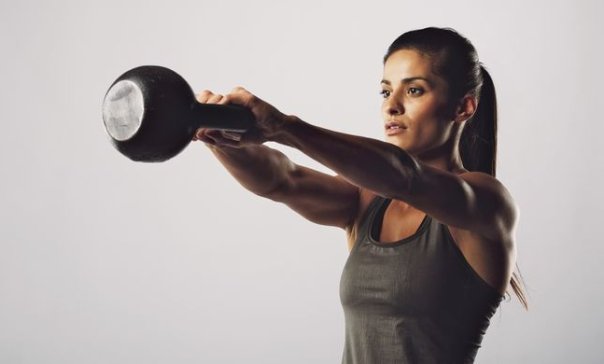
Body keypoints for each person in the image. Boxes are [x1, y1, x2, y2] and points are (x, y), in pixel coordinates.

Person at [193, 27, 527, 363]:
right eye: (385, 92)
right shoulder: (366, 200)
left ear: (464, 108)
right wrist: (214, 133)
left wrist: (283, 127)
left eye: (414, 90)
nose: (392, 107)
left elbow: (406, 177)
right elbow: (282, 179)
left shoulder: (487, 203)